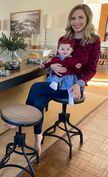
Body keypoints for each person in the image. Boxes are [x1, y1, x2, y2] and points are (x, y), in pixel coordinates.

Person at [26, 4, 100, 156]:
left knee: (35, 88)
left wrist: (80, 84)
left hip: (73, 86)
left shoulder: (93, 41)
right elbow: (55, 60)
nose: (76, 21)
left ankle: (25, 116)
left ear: (88, 19)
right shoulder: (63, 39)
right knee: (39, 102)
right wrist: (52, 67)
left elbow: (91, 70)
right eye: (73, 18)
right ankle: (37, 137)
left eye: (81, 17)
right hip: (55, 82)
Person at [40, 38, 88, 105]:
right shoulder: (55, 58)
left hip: (67, 76)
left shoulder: (71, 59)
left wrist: (78, 65)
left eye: (68, 49)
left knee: (68, 84)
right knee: (54, 78)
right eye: (62, 49)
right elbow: (50, 63)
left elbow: (76, 65)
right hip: (58, 76)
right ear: (58, 51)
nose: (65, 51)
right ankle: (54, 84)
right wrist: (44, 65)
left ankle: (70, 97)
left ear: (71, 50)